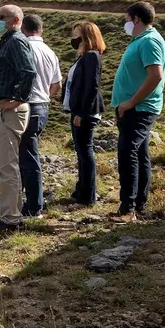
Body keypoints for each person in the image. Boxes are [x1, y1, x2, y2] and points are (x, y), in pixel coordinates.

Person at [111, 1, 165, 221]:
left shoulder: (149, 41)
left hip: (139, 108)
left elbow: (155, 75)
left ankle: (128, 209)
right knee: (140, 154)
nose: (126, 24)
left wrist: (131, 102)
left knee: (128, 154)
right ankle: (138, 204)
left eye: (127, 19)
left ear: (136, 19)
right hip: (135, 107)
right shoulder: (141, 40)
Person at [0, 5, 37, 232]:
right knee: (8, 164)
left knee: (7, 165)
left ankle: (10, 219)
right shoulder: (9, 40)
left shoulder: (15, 41)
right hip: (4, 109)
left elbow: (28, 71)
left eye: (1, 17)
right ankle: (12, 214)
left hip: (10, 110)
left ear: (15, 20)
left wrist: (17, 99)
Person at [19, 14, 63, 217]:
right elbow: (57, 85)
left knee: (27, 156)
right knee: (27, 153)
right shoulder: (49, 51)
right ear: (41, 30)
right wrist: (45, 95)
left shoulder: (23, 47)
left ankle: (34, 205)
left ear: (23, 29)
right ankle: (24, 199)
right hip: (43, 104)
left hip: (27, 105)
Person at [64, 21, 106, 206]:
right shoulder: (82, 57)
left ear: (86, 37)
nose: (74, 39)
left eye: (77, 35)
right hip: (77, 110)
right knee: (80, 151)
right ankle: (81, 191)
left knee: (85, 151)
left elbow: (91, 86)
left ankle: (88, 195)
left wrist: (82, 112)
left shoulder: (91, 56)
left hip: (85, 112)